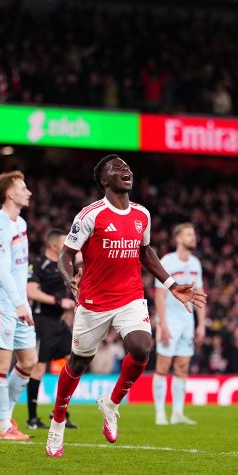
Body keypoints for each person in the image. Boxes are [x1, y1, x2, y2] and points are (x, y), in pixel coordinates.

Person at [44, 155, 207, 458]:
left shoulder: (142, 214)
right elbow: (65, 255)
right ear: (104, 180)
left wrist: (172, 285)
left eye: (127, 168)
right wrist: (69, 280)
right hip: (94, 301)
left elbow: (145, 252)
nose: (126, 171)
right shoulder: (90, 215)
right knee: (78, 363)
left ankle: (112, 403)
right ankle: (57, 421)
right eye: (117, 169)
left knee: (142, 348)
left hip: (130, 296)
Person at [0, 171, 37, 441]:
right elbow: (2, 270)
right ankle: (5, 426)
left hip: (19, 303)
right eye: (23, 188)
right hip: (0, 305)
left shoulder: (21, 223)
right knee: (2, 363)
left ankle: (2, 415)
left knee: (29, 361)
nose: (28, 192)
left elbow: (18, 269)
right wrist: (18, 304)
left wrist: (23, 302)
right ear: (9, 193)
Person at [152, 223, 205, 425]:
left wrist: (201, 324)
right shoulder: (167, 261)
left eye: (194, 234)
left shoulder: (196, 263)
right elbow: (159, 295)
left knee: (182, 367)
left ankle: (177, 413)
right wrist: (163, 325)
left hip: (187, 322)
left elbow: (200, 294)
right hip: (170, 321)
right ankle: (160, 413)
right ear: (179, 239)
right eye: (189, 235)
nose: (193, 238)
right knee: (163, 366)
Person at [26, 228, 78, 430]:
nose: (68, 245)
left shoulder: (65, 264)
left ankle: (59, 413)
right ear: (54, 245)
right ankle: (32, 419)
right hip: (43, 321)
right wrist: (59, 302)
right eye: (65, 242)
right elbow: (31, 292)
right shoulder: (39, 264)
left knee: (74, 363)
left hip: (60, 322)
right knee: (39, 367)